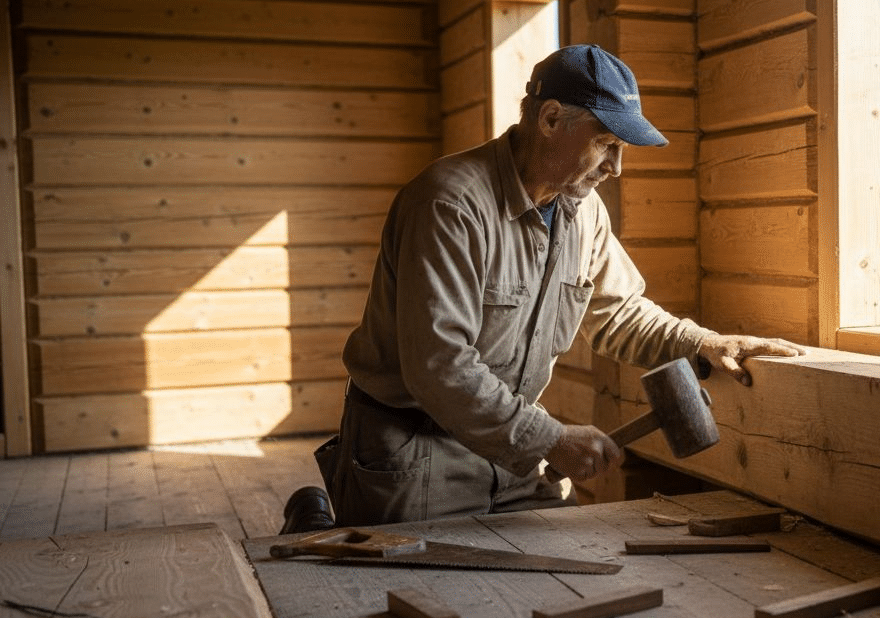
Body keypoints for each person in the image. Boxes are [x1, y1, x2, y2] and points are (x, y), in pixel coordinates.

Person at [280, 44, 804, 533]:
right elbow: (440, 366)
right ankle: (315, 521)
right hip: (416, 452)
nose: (616, 168)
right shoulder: (449, 205)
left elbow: (619, 313)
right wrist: (550, 438)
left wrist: (703, 343)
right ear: (551, 119)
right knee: (408, 585)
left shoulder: (583, 212)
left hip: (513, 451)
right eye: (606, 144)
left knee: (565, 561)